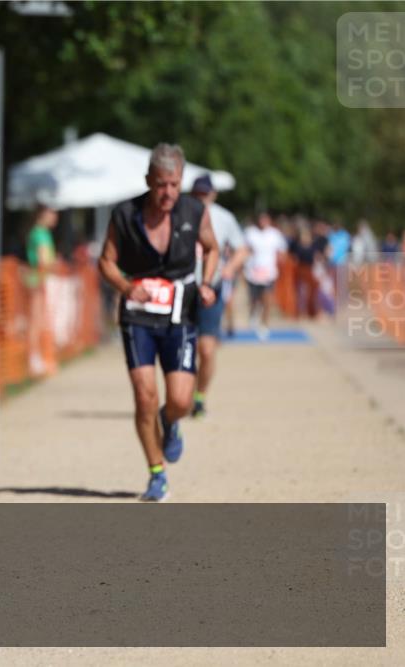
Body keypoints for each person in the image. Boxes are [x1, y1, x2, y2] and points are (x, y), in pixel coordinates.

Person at [99, 143, 218, 502]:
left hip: (180, 311)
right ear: (149, 180)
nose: (167, 193)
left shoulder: (194, 210)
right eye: (161, 184)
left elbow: (212, 248)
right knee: (144, 396)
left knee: (180, 400)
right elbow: (105, 261)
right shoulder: (124, 214)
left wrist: (207, 283)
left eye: (174, 184)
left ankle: (171, 422)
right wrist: (125, 286)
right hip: (137, 317)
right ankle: (156, 473)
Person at [189, 175, 249, 418]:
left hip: (210, 289)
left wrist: (229, 268)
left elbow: (242, 249)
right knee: (182, 349)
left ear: (213, 195)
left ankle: (200, 396)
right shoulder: (178, 214)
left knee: (206, 349)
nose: (202, 198)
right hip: (183, 289)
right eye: (198, 194)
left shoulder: (224, 218)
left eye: (206, 194)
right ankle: (182, 392)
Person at [243, 211, 288, 339]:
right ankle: (254, 314)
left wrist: (280, 262)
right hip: (252, 273)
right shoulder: (250, 232)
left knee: (267, 300)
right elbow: (244, 249)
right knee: (254, 299)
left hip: (269, 273)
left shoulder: (275, 234)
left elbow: (282, 251)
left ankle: (265, 325)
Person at [25, 205, 59, 376]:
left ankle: (38, 358)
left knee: (38, 322)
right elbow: (43, 261)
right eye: (52, 212)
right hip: (39, 282)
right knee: (36, 322)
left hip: (39, 281)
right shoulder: (40, 234)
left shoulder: (39, 233)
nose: (55, 216)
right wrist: (55, 265)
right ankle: (34, 359)